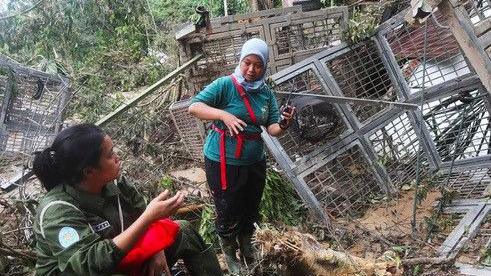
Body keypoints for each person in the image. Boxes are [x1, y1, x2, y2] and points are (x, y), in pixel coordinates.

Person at [32, 123, 222, 276]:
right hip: (97, 270)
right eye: (110, 155)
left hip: (120, 257)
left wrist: (157, 249)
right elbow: (90, 265)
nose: (117, 157)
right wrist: (148, 218)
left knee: (184, 231)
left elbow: (144, 214)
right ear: (89, 171)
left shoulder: (114, 183)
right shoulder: (57, 210)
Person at [188, 38, 295, 274]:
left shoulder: (266, 92)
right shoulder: (225, 85)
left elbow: (272, 129)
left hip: (254, 160)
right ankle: (230, 255)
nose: (251, 70)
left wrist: (285, 124)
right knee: (228, 209)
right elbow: (194, 107)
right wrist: (224, 115)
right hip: (223, 160)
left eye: (258, 65)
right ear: (241, 61)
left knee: (250, 207)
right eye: (247, 63)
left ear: (264, 67)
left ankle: (247, 249)